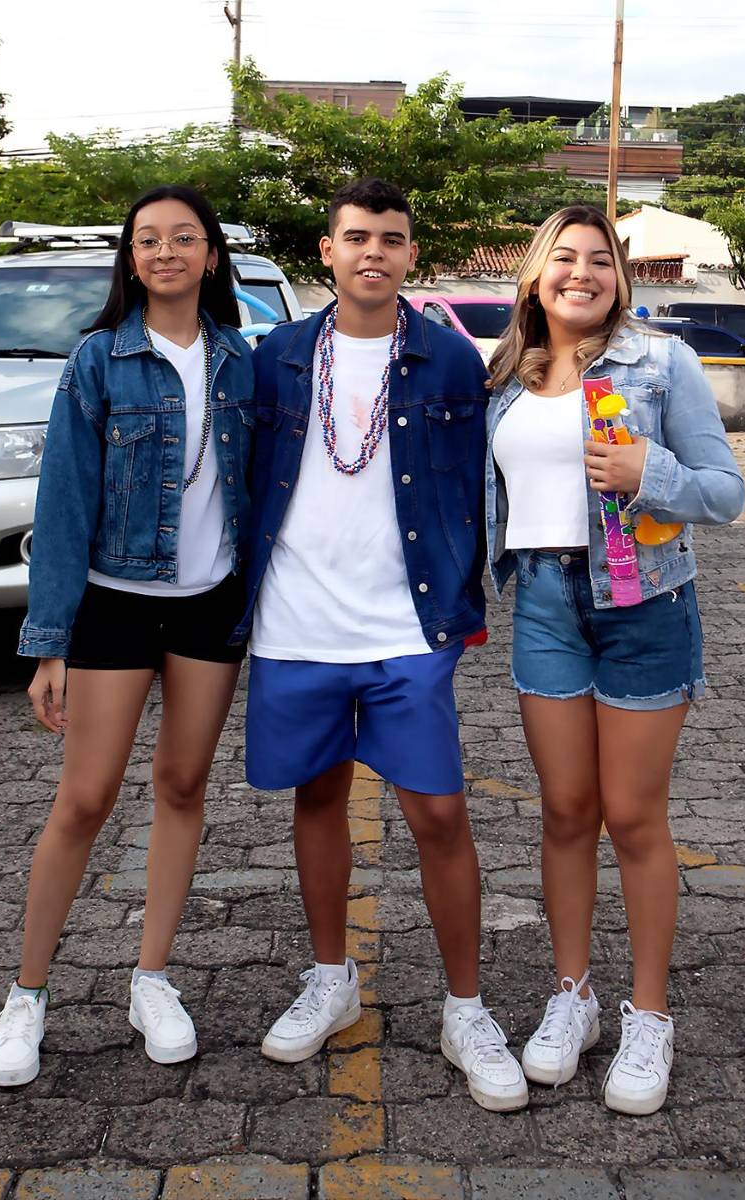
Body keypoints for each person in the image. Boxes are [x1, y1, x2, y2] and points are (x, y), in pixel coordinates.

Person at [231, 177, 529, 1112]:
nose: (374, 252)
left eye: (391, 239)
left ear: (410, 253)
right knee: (318, 797)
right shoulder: (276, 356)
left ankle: (466, 1008)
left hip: (408, 625)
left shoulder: (450, 360)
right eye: (357, 237)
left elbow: (490, 478)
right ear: (328, 251)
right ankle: (332, 979)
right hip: (297, 624)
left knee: (438, 814)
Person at [0, 184, 254, 1087]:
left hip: (210, 602)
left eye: (184, 237)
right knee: (87, 797)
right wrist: (49, 642)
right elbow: (63, 502)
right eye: (148, 240)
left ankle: (152, 978)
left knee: (182, 785)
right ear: (131, 260)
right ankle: (27, 994)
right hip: (116, 601)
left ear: (211, 255)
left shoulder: (241, 361)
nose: (166, 251)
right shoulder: (98, 359)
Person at [486, 204, 744, 1115]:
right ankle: (574, 997)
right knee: (565, 811)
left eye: (602, 260)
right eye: (565, 258)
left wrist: (650, 475)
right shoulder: (507, 374)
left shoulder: (662, 363)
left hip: (644, 607)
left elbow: (725, 492)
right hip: (544, 605)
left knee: (632, 817)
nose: (583, 274)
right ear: (536, 274)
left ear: (621, 279)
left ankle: (650, 1014)